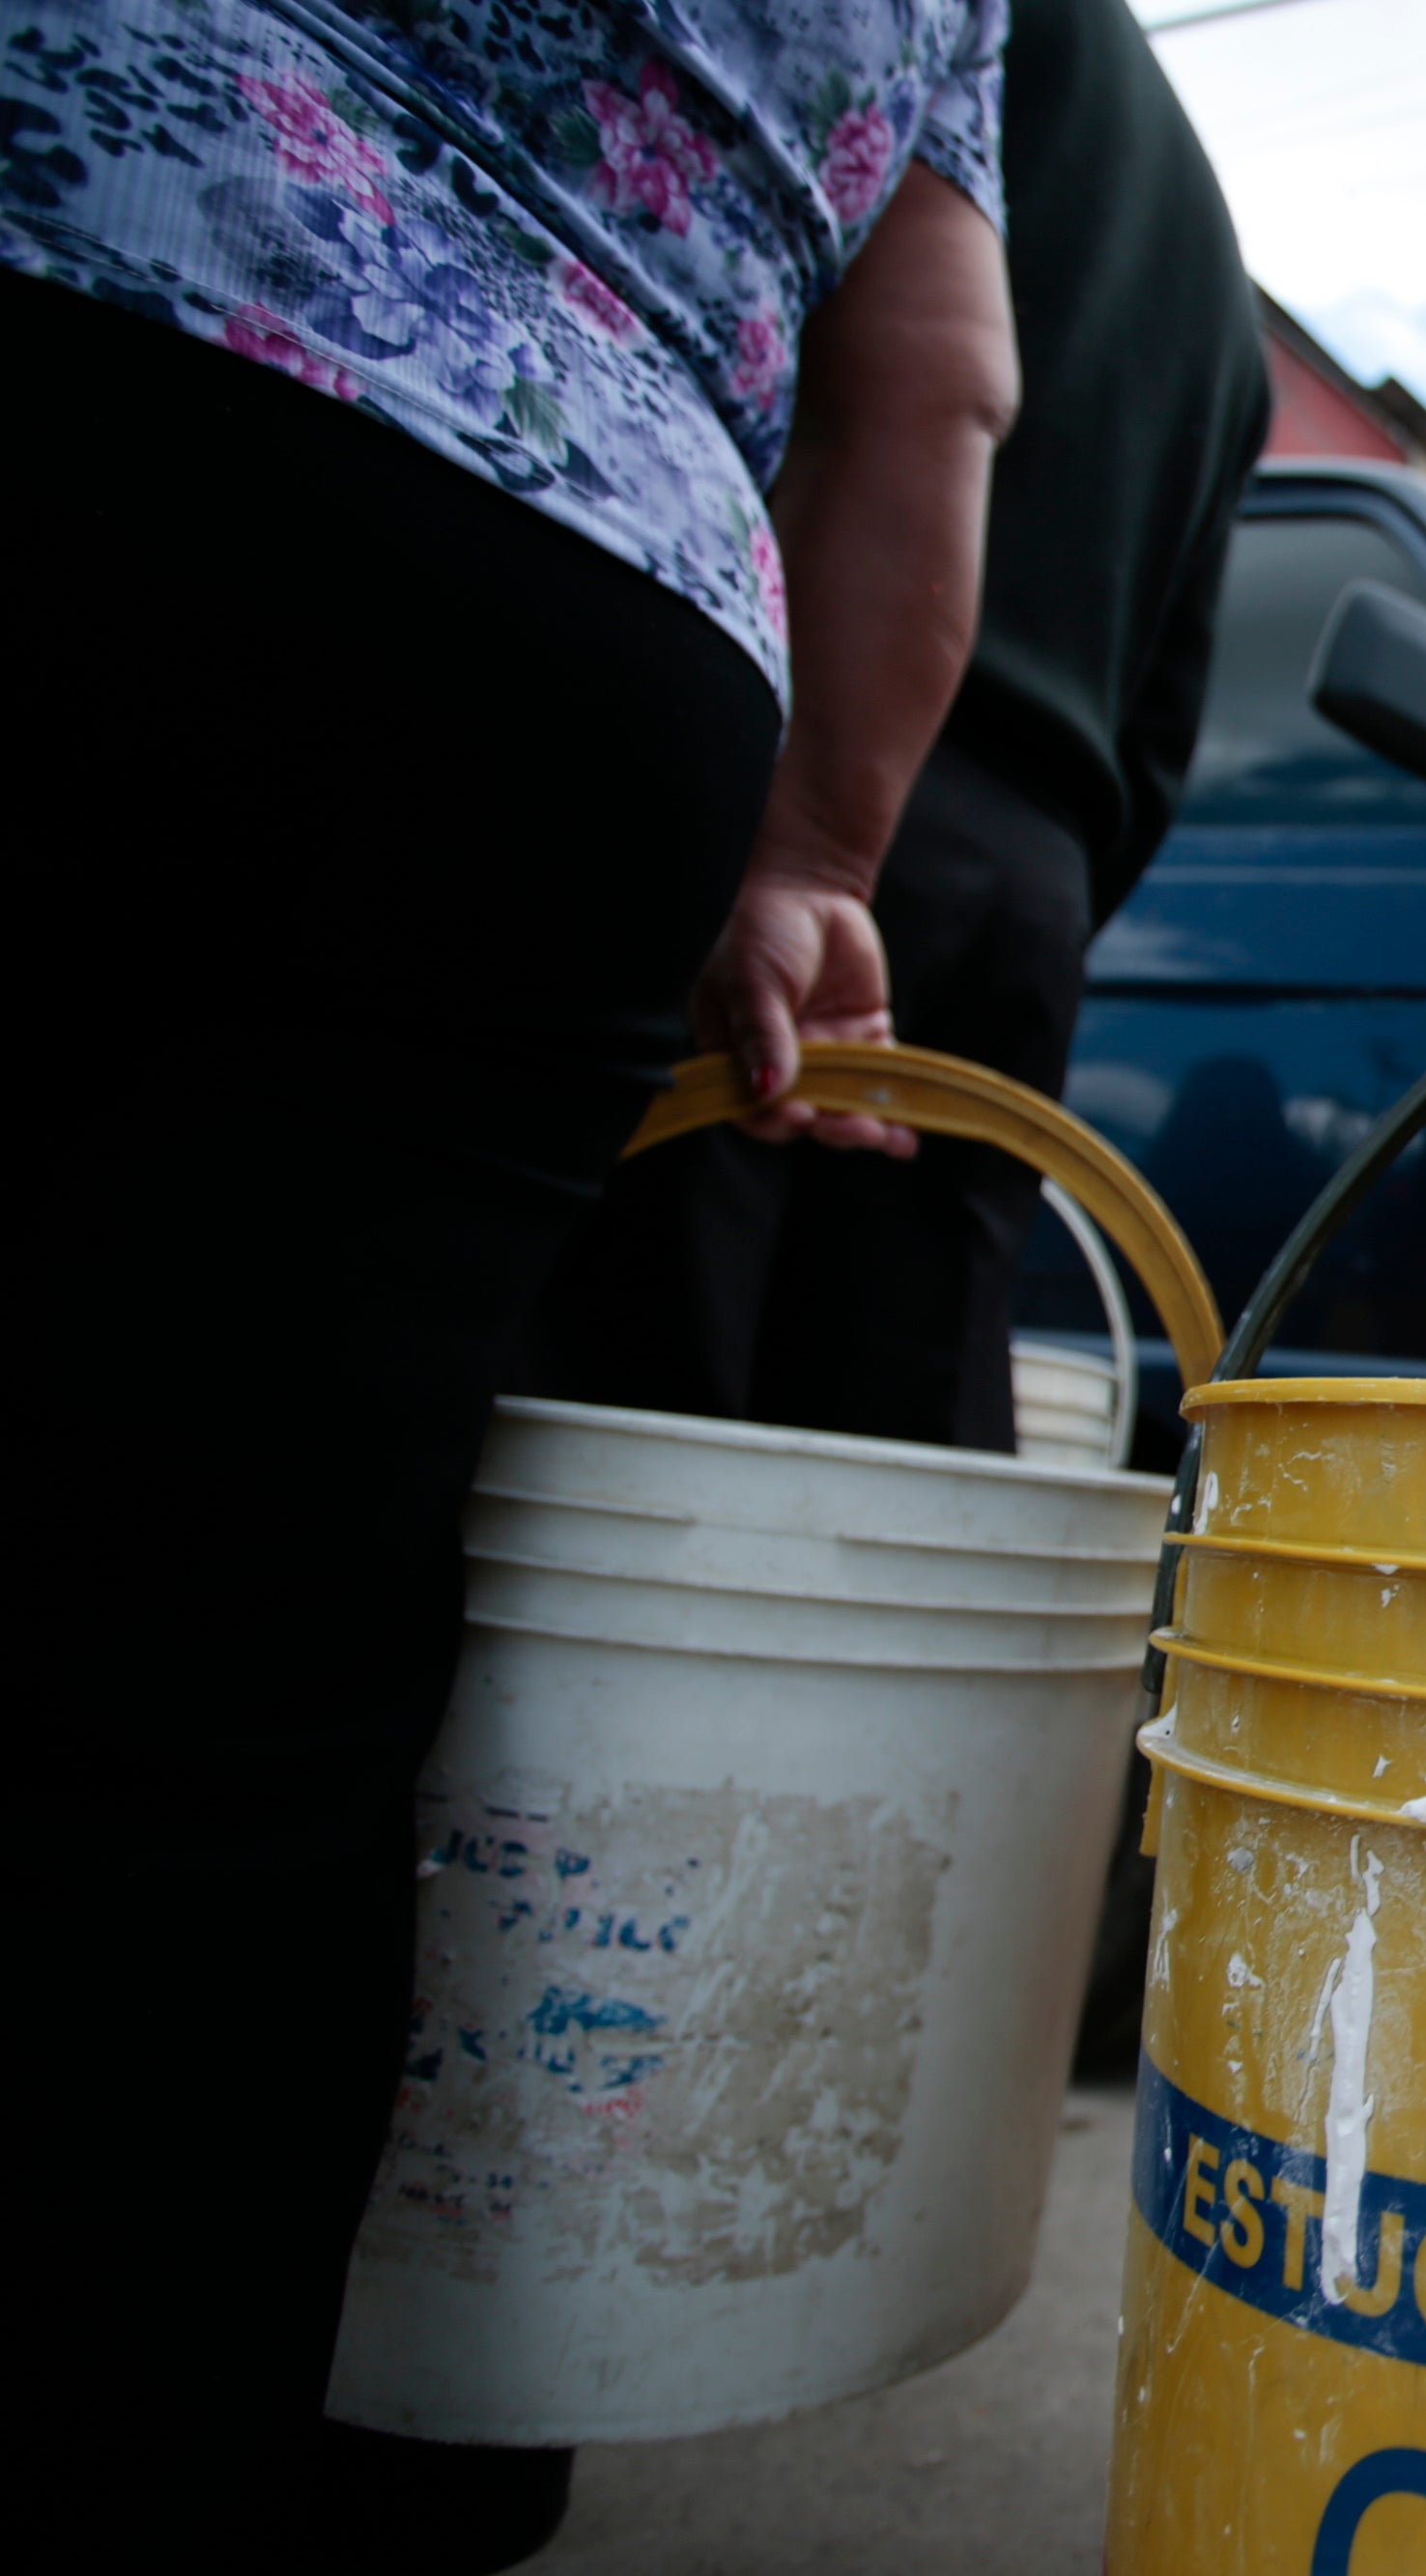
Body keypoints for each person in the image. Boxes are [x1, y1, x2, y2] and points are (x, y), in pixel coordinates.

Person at [8, 5, 1017, 2561]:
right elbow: (939, 385)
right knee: (249, 1706)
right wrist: (812, 846)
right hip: (567, 615)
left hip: (114, 265)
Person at [516, 0, 1269, 1455]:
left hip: (801, 765)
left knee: (650, 1391)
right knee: (919, 1390)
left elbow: (854, 370)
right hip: (1028, 879)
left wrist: (809, 817)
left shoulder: (947, 39)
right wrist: (1039, 892)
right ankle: (910, 1688)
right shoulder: (1208, 249)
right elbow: (1173, 688)